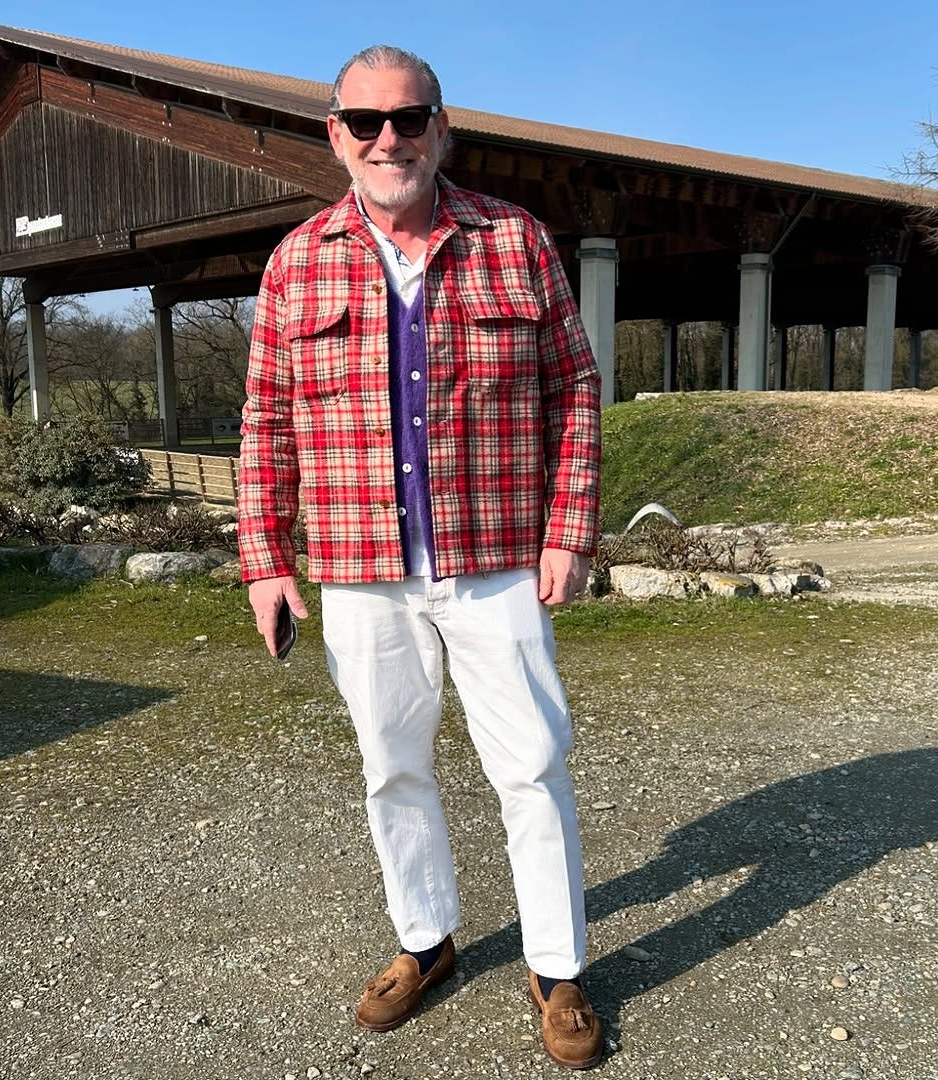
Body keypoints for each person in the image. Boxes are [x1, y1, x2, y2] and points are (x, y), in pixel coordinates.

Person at [238, 44, 604, 1070]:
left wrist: (570, 528)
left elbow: (574, 388)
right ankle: (425, 940)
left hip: (495, 562)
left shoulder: (514, 240)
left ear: (443, 126)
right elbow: (265, 420)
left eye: (410, 118)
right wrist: (266, 559)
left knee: (531, 767)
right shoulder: (297, 260)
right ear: (336, 135)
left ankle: (558, 966)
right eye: (366, 121)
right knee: (391, 766)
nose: (388, 139)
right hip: (359, 569)